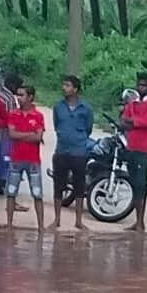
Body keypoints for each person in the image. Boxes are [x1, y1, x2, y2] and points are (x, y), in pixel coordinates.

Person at [1, 73, 54, 232]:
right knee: (11, 193)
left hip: (32, 160)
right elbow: (13, 135)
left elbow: (36, 137)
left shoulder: (38, 115)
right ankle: (9, 224)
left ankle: (40, 226)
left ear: (30, 97)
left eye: (21, 95)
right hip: (17, 158)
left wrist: (22, 136)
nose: (18, 98)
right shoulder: (14, 114)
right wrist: (30, 135)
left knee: (37, 194)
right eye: (18, 95)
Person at [116, 68, 147, 228]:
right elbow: (123, 120)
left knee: (141, 184)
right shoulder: (133, 102)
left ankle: (140, 221)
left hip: (143, 149)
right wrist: (133, 122)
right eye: (139, 85)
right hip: (131, 146)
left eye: (143, 86)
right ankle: (137, 221)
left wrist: (131, 121)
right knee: (134, 183)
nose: (140, 88)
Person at [50, 72, 97, 223]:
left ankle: (78, 221)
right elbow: (57, 125)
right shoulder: (58, 107)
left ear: (75, 89)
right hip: (62, 150)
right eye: (64, 85)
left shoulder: (86, 109)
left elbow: (88, 128)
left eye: (68, 85)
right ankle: (57, 219)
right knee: (59, 186)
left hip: (79, 152)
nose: (64, 88)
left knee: (79, 187)